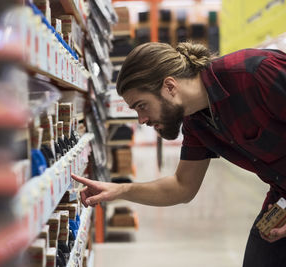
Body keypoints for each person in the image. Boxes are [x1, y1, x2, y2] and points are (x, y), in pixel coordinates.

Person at [71, 42, 286, 267]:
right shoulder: (197, 122)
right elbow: (182, 186)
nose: (141, 120)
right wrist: (120, 189)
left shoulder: (255, 73)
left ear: (170, 86)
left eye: (142, 106)